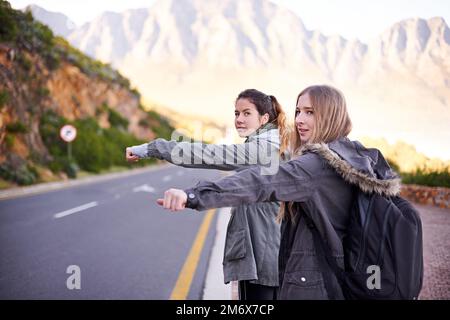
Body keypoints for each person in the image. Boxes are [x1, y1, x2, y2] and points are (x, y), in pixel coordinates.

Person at [157, 85, 401, 300]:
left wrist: (193, 196)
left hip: (315, 280)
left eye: (310, 112)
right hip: (347, 275)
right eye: (298, 111)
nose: (300, 120)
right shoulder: (359, 155)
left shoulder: (314, 166)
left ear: (331, 115)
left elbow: (258, 183)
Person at [126, 89, 290, 300]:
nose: (239, 119)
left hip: (263, 260)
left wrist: (152, 148)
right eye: (236, 113)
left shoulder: (263, 150)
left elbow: (205, 154)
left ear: (264, 118)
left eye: (246, 113)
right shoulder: (276, 145)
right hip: (272, 255)